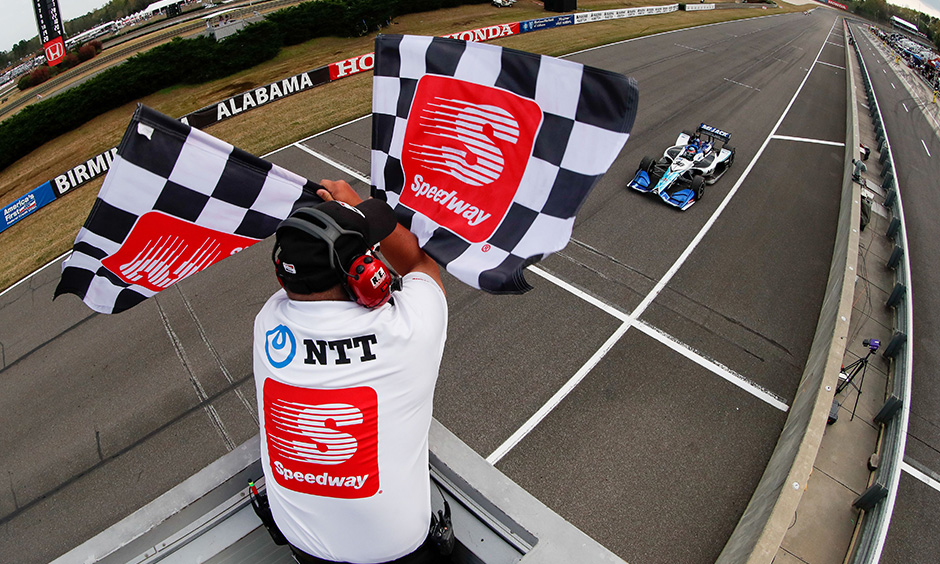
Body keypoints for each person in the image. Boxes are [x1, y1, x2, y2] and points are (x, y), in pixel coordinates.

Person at [252, 179, 449, 564]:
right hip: (398, 553)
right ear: (365, 274)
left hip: (304, 546)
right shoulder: (406, 329)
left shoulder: (267, 325)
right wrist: (357, 204)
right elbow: (419, 265)